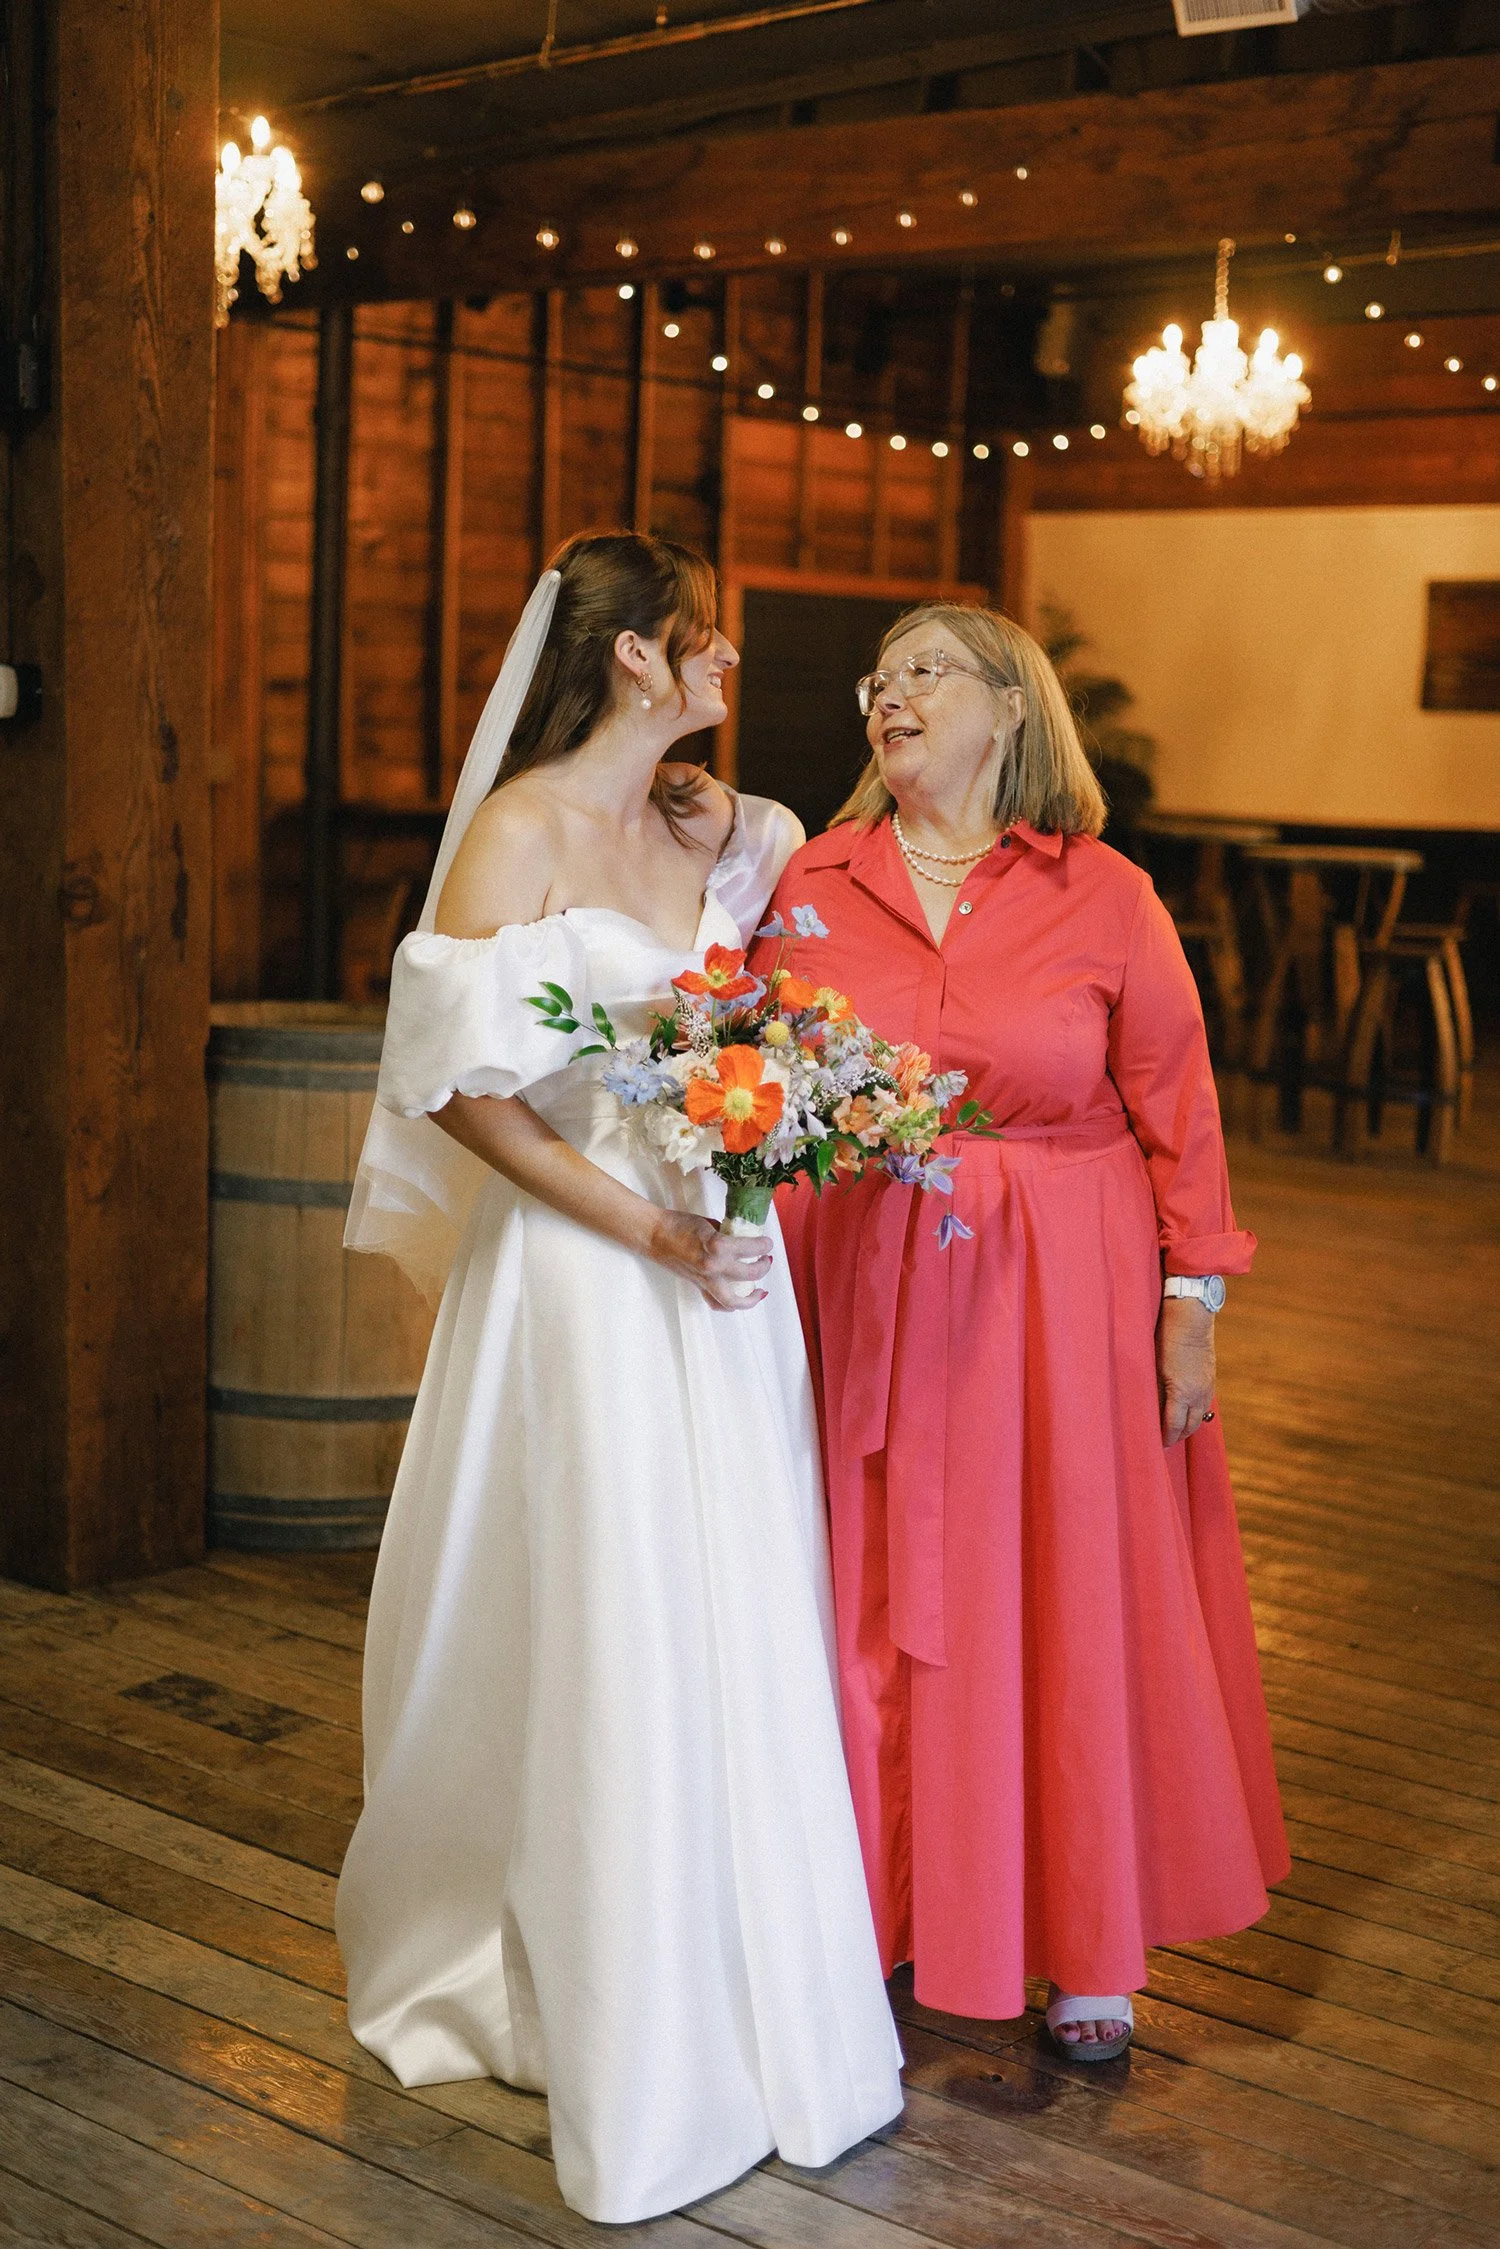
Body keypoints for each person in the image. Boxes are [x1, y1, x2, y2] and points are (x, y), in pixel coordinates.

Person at [336, 532, 903, 2222]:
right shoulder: (516, 834)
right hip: (589, 1277)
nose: (730, 665)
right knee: (609, 1614)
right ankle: (598, 2010)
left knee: (737, 1611)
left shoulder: (703, 823)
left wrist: (757, 1150)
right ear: (638, 660)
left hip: (725, 1279)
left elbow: (817, 903)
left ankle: (749, 1995)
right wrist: (645, 1231)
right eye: (706, 642)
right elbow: (456, 1089)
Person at [751, 604, 1289, 2063]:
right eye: (880, 674)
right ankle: (868, 1912)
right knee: (866, 1599)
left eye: (927, 668)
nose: (890, 692)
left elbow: (1183, 1115)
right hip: (860, 1281)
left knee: (1054, 1597)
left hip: (1061, 1293)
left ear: (1009, 709)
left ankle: (1081, 1942)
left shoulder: (1105, 892)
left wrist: (1193, 1306)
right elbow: (740, 1063)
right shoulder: (807, 878)